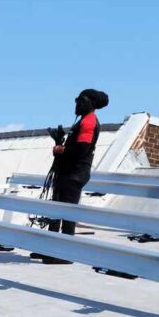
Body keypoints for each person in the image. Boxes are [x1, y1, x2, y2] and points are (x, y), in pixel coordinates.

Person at [39, 88, 109, 264]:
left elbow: (82, 149)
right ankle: (49, 250)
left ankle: (65, 254)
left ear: (90, 103)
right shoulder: (83, 121)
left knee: (67, 213)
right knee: (55, 209)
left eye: (80, 99)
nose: (77, 102)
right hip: (67, 172)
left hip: (75, 174)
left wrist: (61, 149)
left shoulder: (89, 122)